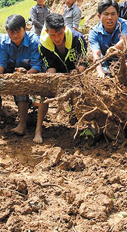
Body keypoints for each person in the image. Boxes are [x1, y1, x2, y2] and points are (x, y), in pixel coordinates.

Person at [36, 13, 88, 143]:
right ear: (47, 31)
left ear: (64, 28)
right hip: (57, 74)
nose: (57, 38)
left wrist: (73, 79)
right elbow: (50, 66)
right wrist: (51, 81)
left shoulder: (77, 39)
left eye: (59, 34)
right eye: (52, 35)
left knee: (82, 94)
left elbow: (82, 64)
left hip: (76, 73)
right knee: (44, 95)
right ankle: (38, 130)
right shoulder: (43, 44)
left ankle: (87, 125)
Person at [0, 14, 42, 135]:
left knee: (19, 87)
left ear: (25, 29)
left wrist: (25, 74)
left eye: (18, 32)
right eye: (11, 32)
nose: (15, 36)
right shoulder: (4, 42)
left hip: (33, 72)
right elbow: (2, 63)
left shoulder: (34, 41)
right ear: (7, 31)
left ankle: (22, 124)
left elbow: (37, 65)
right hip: (15, 69)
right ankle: (29, 102)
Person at [88, 0, 127, 77]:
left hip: (123, 59)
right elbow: (96, 53)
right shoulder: (94, 32)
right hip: (105, 60)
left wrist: (111, 50)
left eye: (113, 14)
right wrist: (100, 72)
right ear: (99, 16)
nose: (110, 18)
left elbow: (124, 41)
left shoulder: (125, 24)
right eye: (106, 14)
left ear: (118, 15)